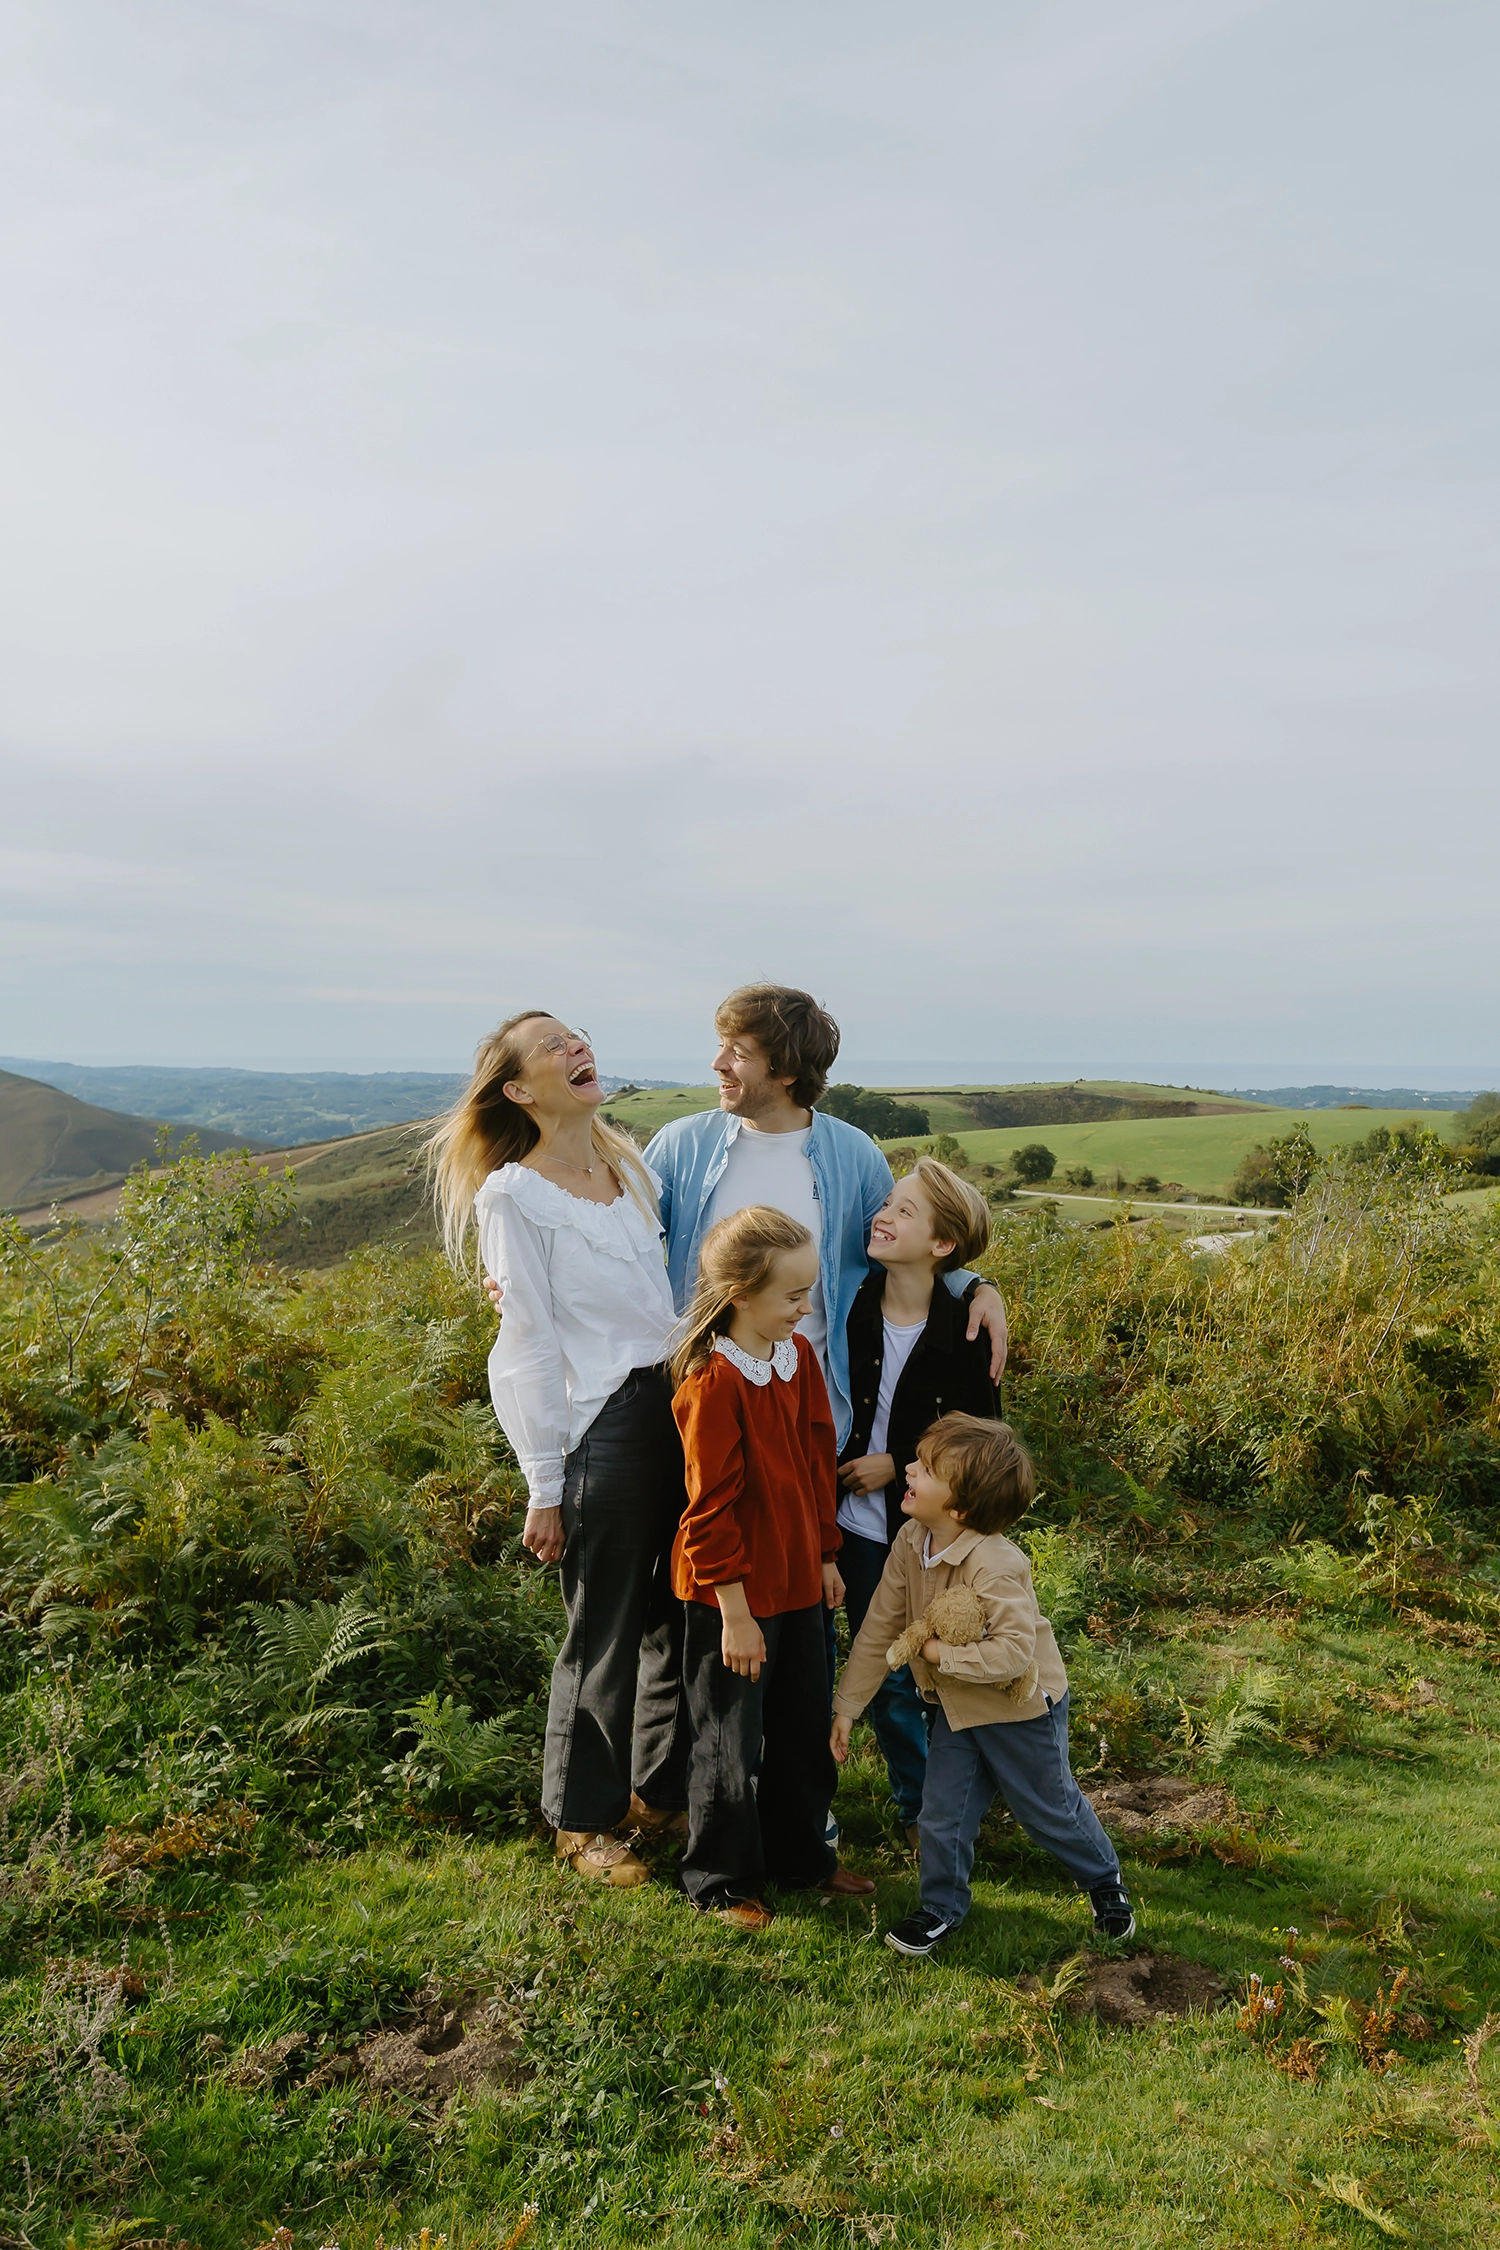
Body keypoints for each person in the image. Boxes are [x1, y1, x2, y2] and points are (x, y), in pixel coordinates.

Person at [427, 1010, 690, 1891]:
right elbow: (527, 1343)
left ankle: (656, 1793)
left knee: (676, 1612)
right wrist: (544, 1483)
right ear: (517, 1090)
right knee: (605, 1629)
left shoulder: (629, 1167)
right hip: (604, 1426)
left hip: (681, 1409)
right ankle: (580, 1820)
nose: (578, 1045)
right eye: (553, 1045)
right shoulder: (514, 1196)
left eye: (580, 1034)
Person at [644, 985, 1010, 1456]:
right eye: (721, 1046)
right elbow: (627, 1248)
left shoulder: (853, 1155)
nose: (718, 1063)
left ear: (788, 1071)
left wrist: (976, 1286)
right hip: (694, 1406)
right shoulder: (682, 1145)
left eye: (738, 1053)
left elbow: (897, 1253)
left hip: (806, 1415)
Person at [831, 1414, 1135, 1957]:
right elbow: (880, 1622)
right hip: (955, 1707)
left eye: (924, 1469)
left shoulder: (995, 1564)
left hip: (1020, 1711)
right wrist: (848, 1706)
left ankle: (1103, 1882)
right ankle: (941, 1907)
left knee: (1048, 1811)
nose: (907, 1468)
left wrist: (935, 1652)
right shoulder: (910, 1538)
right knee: (941, 1812)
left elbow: (1014, 1653)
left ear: (960, 1509)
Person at [669, 1205, 876, 1929]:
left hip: (796, 1581)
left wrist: (825, 1555)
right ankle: (721, 1879)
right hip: (731, 1597)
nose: (806, 1307)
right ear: (740, 1296)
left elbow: (819, 1464)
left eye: (808, 1291)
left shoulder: (799, 1362)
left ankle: (802, 1858)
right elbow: (709, 1510)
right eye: (792, 1296)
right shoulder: (711, 1384)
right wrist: (734, 1613)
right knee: (728, 1740)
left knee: (799, 1728)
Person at [836, 1158, 998, 1845]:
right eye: (887, 1204)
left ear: (941, 1246)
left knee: (932, 1670)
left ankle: (944, 1805)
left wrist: (897, 1464)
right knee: (882, 1673)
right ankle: (918, 1809)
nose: (884, 1217)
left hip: (924, 1537)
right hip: (847, 1527)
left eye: (906, 1212)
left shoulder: (965, 1329)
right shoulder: (847, 1302)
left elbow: (979, 1446)